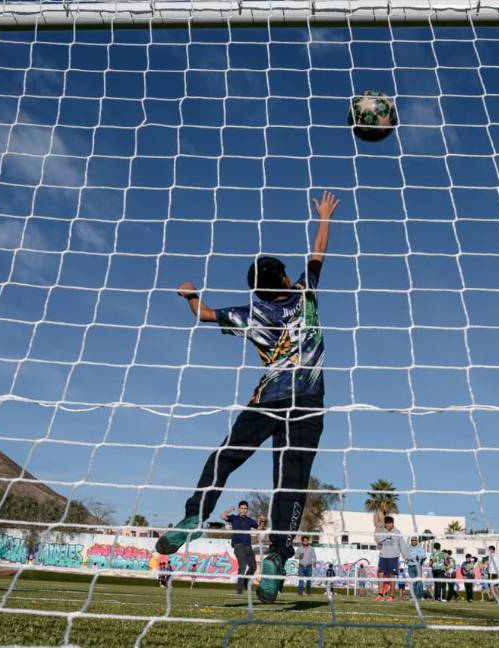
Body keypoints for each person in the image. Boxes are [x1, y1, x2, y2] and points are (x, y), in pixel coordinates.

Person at [154, 191, 339, 605]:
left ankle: (195, 515)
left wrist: (190, 295)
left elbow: (203, 315)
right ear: (286, 280)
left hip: (267, 399)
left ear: (257, 289)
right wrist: (324, 216)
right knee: (290, 482)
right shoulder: (307, 296)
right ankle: (276, 555)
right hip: (308, 402)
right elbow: (319, 252)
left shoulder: (251, 313)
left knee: (227, 456)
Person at [220, 501, 265, 595]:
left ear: (247, 510)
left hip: (248, 546)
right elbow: (223, 516)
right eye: (242, 508)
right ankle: (239, 589)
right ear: (239, 509)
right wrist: (230, 509)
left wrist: (263, 521)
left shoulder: (249, 520)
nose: (243, 510)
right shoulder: (234, 518)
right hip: (238, 545)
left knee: (253, 567)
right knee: (243, 566)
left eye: (245, 508)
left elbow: (260, 528)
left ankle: (245, 581)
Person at [373, 506, 408, 602]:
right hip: (383, 556)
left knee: (392, 576)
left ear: (393, 524)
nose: (388, 525)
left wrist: (406, 556)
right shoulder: (382, 531)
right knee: (380, 575)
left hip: (393, 557)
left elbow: (403, 545)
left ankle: (391, 596)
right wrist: (385, 535)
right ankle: (380, 594)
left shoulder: (397, 533)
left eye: (390, 523)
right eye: (387, 524)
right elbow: (377, 540)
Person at [406, 537, 427, 601]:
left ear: (417, 541)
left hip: (417, 566)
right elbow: (406, 556)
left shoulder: (420, 548)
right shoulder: (408, 548)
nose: (413, 541)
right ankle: (414, 596)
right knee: (413, 582)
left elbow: (424, 556)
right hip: (410, 566)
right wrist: (408, 559)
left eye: (415, 540)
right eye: (412, 540)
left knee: (419, 581)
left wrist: (418, 558)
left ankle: (421, 596)